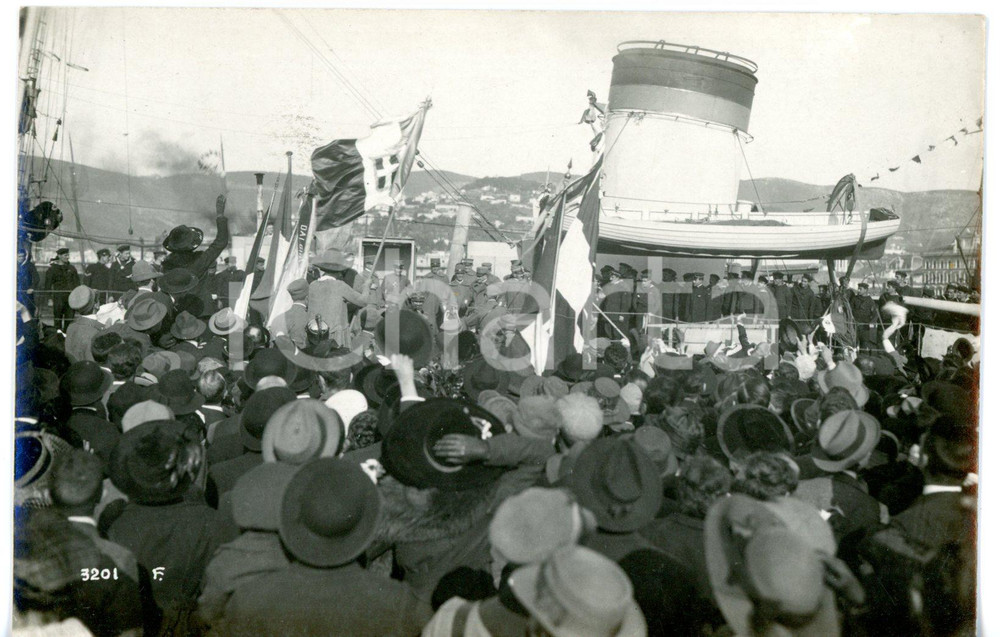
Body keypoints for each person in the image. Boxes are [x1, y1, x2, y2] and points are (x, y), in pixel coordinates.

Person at [44, 247, 80, 331]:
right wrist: (49, 298)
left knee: (69, 320)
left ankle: (67, 339)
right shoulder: (52, 269)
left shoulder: (72, 268)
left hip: (71, 298)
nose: (67, 257)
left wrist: (78, 296)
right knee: (58, 320)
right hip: (58, 297)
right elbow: (48, 285)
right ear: (59, 256)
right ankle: (58, 340)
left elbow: (77, 284)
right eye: (65, 255)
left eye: (68, 255)